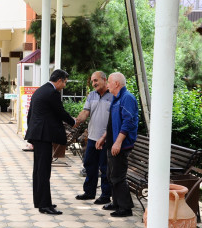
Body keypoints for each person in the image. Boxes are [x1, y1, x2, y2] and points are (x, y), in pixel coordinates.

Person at [25, 69, 77, 215]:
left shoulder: (40, 90)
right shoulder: (52, 93)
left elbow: (31, 115)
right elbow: (60, 112)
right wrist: (73, 121)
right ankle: (45, 205)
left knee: (38, 170)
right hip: (44, 136)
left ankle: (40, 201)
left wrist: (31, 135)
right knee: (43, 171)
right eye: (65, 82)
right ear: (59, 80)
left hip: (38, 135)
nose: (64, 86)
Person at [96, 72, 138, 217]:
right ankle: (116, 202)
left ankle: (125, 208)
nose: (107, 84)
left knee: (118, 176)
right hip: (112, 143)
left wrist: (118, 142)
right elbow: (112, 123)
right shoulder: (116, 98)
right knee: (110, 174)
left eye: (109, 82)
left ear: (116, 84)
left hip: (121, 145)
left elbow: (128, 122)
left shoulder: (127, 98)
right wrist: (104, 138)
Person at [75, 71, 113, 205]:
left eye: (96, 80)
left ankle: (105, 195)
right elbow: (86, 112)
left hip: (106, 139)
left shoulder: (113, 95)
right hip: (92, 137)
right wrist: (76, 121)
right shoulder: (92, 95)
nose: (93, 83)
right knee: (90, 165)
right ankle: (89, 192)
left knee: (104, 167)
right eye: (92, 81)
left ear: (104, 79)